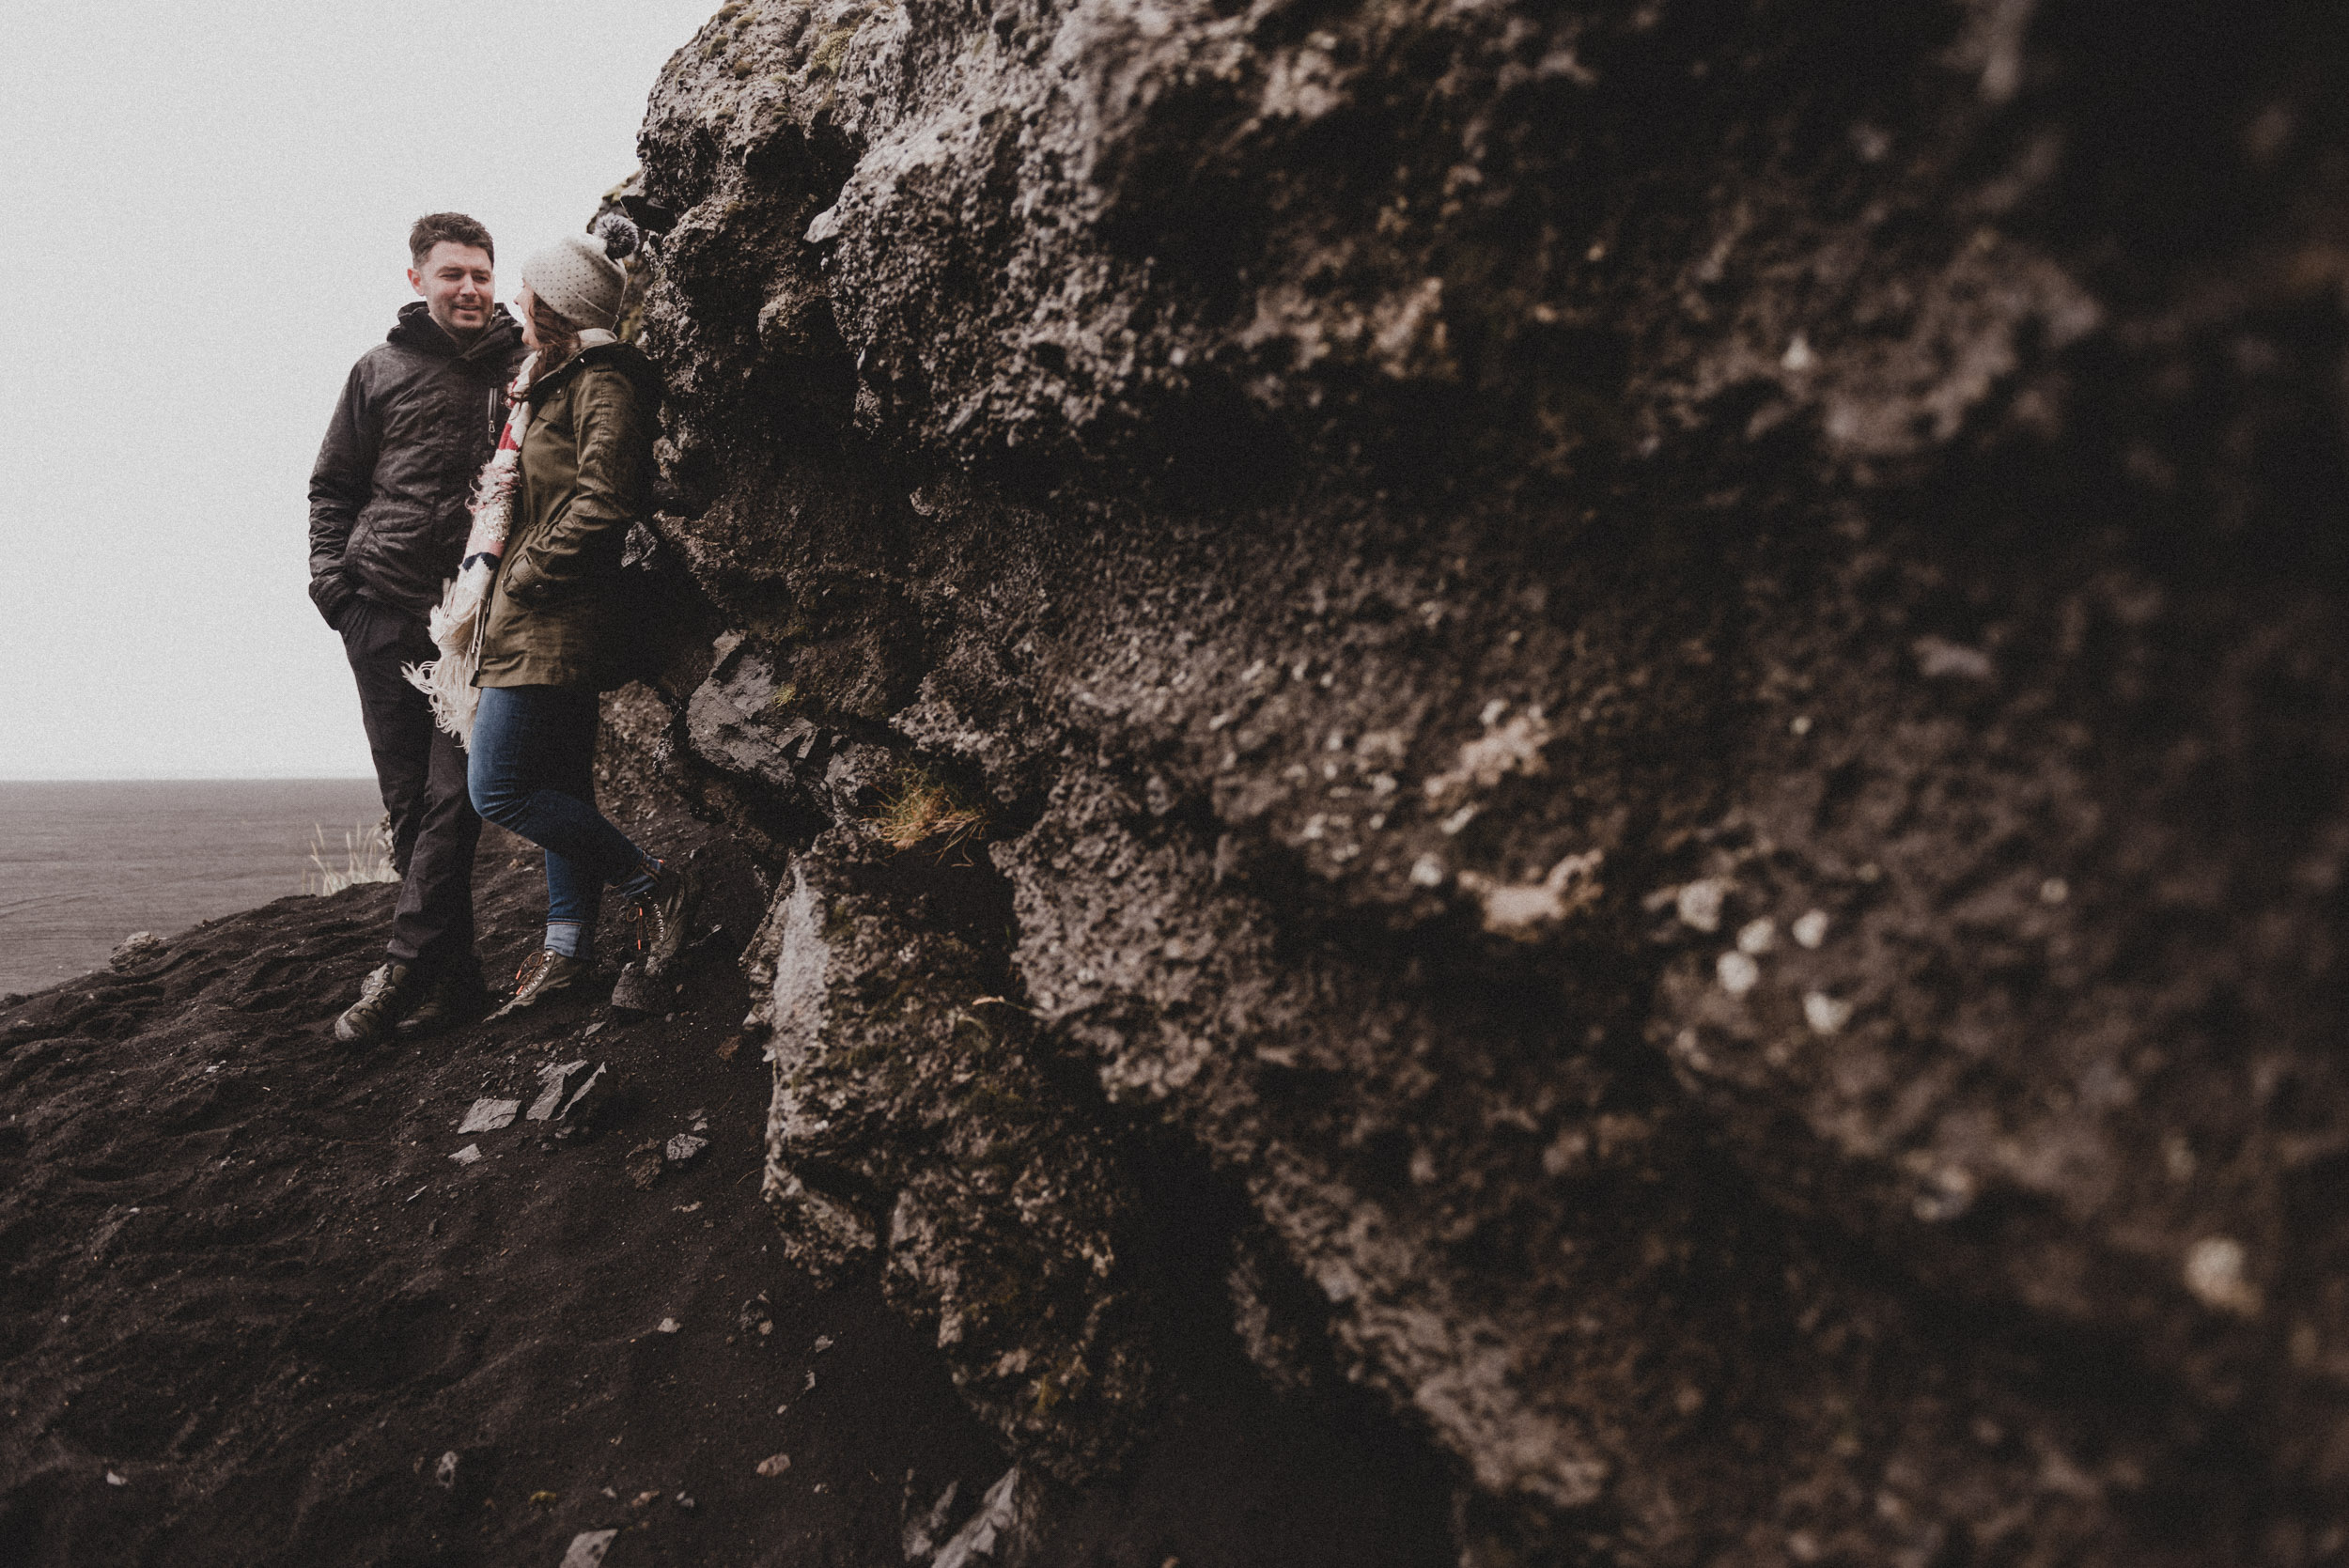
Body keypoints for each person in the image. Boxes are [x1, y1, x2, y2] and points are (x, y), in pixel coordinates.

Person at [461, 220, 698, 1015]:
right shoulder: (548, 381)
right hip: (531, 614)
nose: (515, 301)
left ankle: (654, 884)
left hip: (554, 611)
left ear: (556, 304)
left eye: (528, 290)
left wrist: (526, 572)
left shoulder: (605, 380)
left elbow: (607, 494)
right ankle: (568, 949)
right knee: (560, 782)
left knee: (497, 788)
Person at [310, 213, 526, 1044]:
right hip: (380, 612)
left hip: (474, 628)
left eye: (481, 272)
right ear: (417, 281)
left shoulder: (525, 368)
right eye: (452, 274)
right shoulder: (378, 371)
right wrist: (336, 593)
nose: (470, 287)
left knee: (453, 799)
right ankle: (457, 980)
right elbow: (332, 488)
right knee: (409, 807)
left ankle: (401, 970)